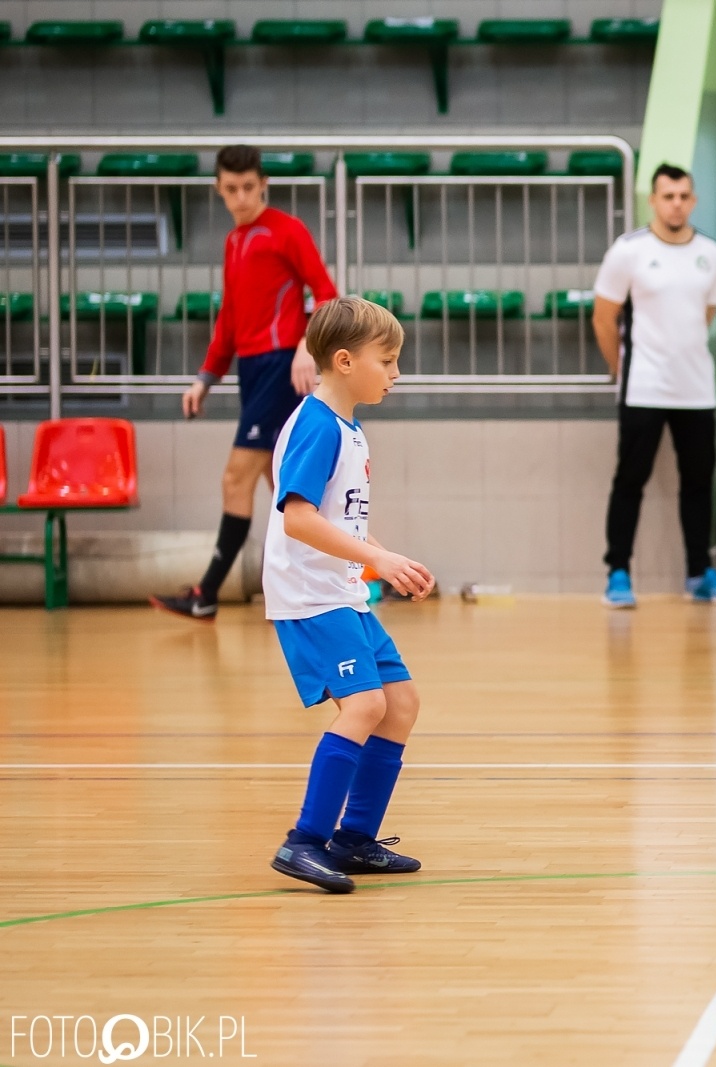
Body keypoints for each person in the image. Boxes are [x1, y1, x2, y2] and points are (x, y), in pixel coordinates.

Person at [264, 296, 435, 894]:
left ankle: (354, 839)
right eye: (386, 361)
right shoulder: (316, 424)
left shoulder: (349, 428)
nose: (395, 373)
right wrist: (377, 561)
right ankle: (304, 842)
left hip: (340, 591)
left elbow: (343, 525)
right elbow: (299, 520)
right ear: (343, 361)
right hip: (310, 597)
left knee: (401, 702)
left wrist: (388, 558)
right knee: (364, 706)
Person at [152, 143, 338, 621]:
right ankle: (325, 586)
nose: (240, 197)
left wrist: (305, 348)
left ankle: (207, 593)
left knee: (237, 478)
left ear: (263, 185)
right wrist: (204, 380)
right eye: (231, 189)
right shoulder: (234, 243)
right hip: (251, 371)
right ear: (218, 188)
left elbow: (327, 292)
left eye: (248, 188)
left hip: (282, 366)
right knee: (286, 487)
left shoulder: (287, 230)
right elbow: (230, 320)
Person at [593, 163, 716, 610]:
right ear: (653, 201)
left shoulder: (711, 253)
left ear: (693, 201)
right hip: (643, 388)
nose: (676, 203)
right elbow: (603, 318)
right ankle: (618, 572)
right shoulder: (628, 251)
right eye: (667, 195)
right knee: (630, 480)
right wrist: (622, 370)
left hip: (697, 389)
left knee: (698, 482)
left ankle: (700, 573)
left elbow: (705, 315)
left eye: (683, 195)